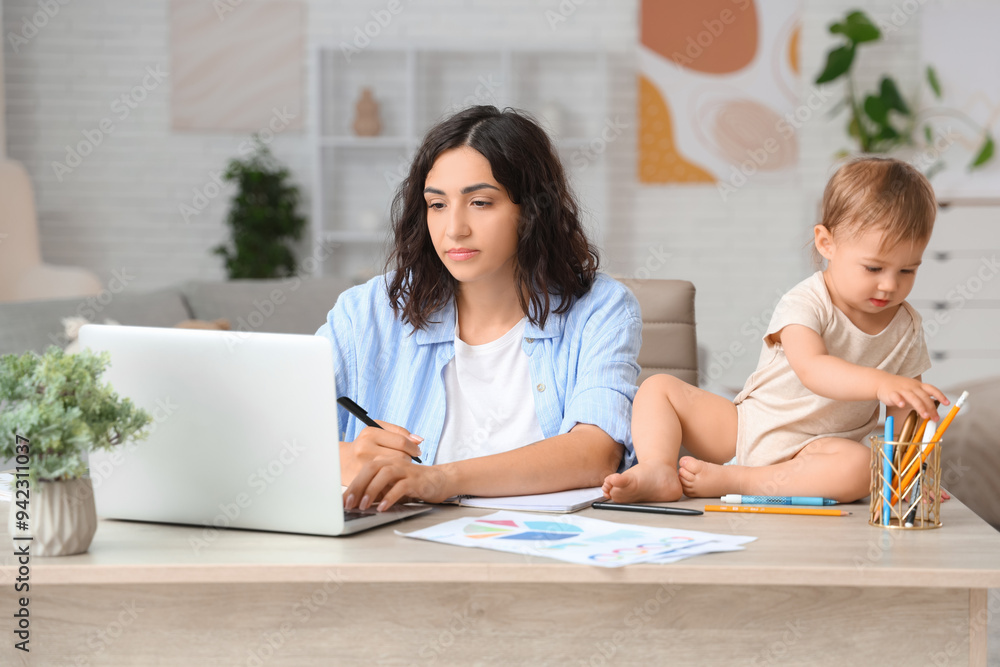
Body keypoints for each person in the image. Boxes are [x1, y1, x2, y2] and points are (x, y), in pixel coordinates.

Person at [316, 106, 642, 512]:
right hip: (395, 546)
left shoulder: (601, 309)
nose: (454, 228)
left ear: (532, 211)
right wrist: (344, 456)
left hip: (545, 551)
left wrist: (437, 479)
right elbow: (262, 428)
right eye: (437, 205)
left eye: (481, 203)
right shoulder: (366, 312)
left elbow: (595, 453)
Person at [603, 157, 949, 504]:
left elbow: (908, 417)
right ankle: (658, 468)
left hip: (818, 452)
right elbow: (813, 369)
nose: (889, 285)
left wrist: (912, 475)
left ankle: (739, 480)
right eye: (874, 268)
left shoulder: (907, 327)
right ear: (826, 243)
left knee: (864, 468)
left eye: (907, 271)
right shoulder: (806, 302)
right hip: (746, 430)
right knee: (657, 388)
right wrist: (880, 383)